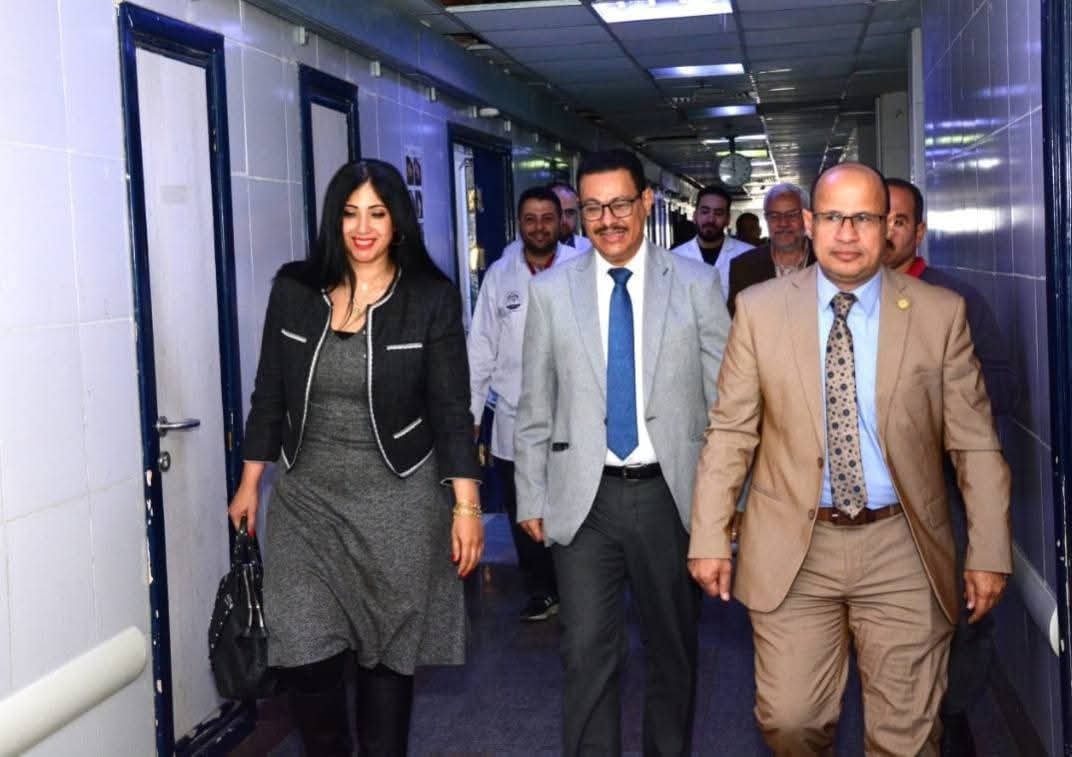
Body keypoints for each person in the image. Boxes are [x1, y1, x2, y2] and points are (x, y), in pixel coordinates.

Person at [689, 162, 1012, 756]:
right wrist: (709, 535)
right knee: (791, 719)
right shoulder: (759, 310)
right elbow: (730, 432)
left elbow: (975, 442)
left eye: (863, 218)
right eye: (834, 217)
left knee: (906, 735)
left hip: (903, 547)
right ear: (810, 223)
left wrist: (989, 548)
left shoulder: (939, 314)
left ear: (888, 227)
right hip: (795, 545)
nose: (846, 233)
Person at [229, 159, 483, 756]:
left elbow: (451, 408)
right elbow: (269, 391)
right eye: (350, 214)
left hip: (398, 505)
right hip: (306, 506)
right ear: (333, 219)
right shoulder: (294, 291)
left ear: (398, 223)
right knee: (304, 657)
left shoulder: (430, 299)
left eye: (377, 213)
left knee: (386, 668)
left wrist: (467, 507)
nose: (362, 228)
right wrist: (249, 481)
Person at [514, 149, 730, 755]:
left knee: (672, 651)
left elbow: (727, 405)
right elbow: (535, 401)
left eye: (618, 205)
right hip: (584, 500)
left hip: (670, 495)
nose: (606, 220)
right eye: (591, 208)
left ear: (646, 203)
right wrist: (529, 493)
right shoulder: (551, 292)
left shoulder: (695, 284)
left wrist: (725, 506)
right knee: (586, 652)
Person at [883, 177, 1016, 756]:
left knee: (960, 618)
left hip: (944, 494)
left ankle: (951, 718)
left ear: (919, 232)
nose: (886, 231)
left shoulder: (955, 301)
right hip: (871, 507)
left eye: (899, 221)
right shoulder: (837, 305)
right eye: (877, 218)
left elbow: (1000, 394)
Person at [468, 186, 581, 621]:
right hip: (514, 416)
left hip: (573, 414)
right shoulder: (501, 274)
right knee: (523, 507)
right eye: (530, 219)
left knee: (570, 502)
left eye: (547, 218)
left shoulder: (582, 266)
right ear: (519, 224)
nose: (539, 227)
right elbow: (481, 347)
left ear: (561, 221)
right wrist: (472, 414)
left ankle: (576, 587)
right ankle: (542, 590)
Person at [726, 183, 815, 316]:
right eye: (774, 216)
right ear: (766, 219)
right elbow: (737, 320)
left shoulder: (827, 262)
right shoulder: (743, 267)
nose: (783, 223)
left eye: (792, 215)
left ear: (807, 218)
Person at [670, 184, 754, 299]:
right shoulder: (675, 257)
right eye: (705, 212)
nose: (711, 219)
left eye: (718, 213)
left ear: (728, 219)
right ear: (695, 216)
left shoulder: (748, 255)